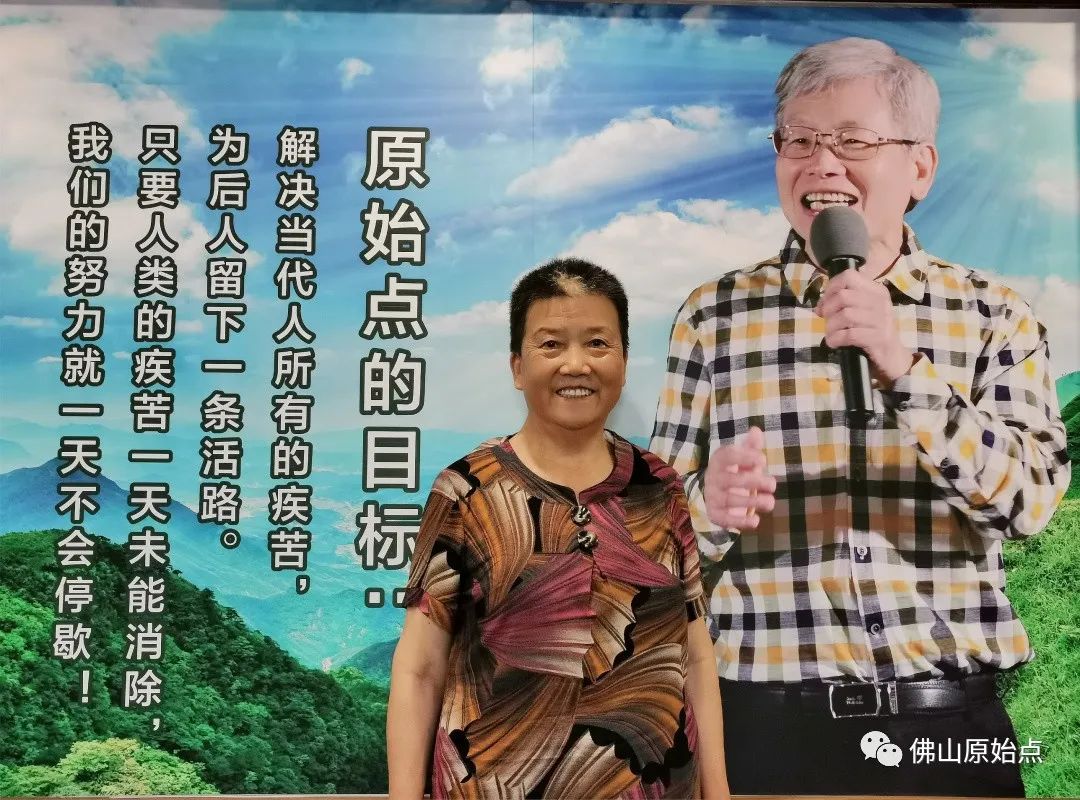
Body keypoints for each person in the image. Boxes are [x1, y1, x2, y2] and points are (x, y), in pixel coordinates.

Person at [651, 37, 1070, 797]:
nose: (822, 164)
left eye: (853, 141)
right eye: (799, 140)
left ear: (920, 168)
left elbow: (1030, 502)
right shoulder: (714, 315)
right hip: (765, 729)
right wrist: (706, 507)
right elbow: (649, 548)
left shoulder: (993, 315)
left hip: (948, 725)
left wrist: (904, 367)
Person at [388, 258, 729, 799]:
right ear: (517, 366)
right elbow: (419, 670)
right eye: (551, 344)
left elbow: (695, 653)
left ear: (623, 362)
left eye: (597, 343)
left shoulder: (660, 486)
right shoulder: (466, 490)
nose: (576, 364)